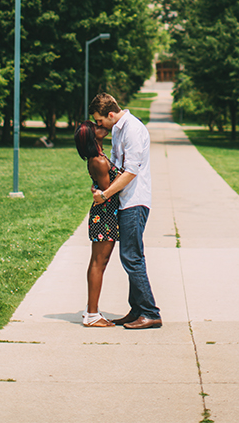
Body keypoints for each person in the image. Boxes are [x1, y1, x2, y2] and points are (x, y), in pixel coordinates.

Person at [89, 93, 162, 329]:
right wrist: (100, 184)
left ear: (110, 114)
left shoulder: (132, 129)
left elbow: (130, 172)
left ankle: (150, 312)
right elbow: (116, 167)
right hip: (124, 201)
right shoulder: (119, 129)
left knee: (132, 256)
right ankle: (137, 309)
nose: (98, 126)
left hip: (135, 201)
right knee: (129, 255)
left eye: (100, 121)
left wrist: (105, 194)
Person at [74, 120, 121, 327]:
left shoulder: (99, 158)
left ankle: (90, 311)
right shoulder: (99, 161)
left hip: (104, 214)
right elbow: (109, 190)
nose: (102, 127)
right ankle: (93, 315)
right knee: (98, 264)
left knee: (97, 263)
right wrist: (126, 175)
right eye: (96, 127)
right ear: (92, 136)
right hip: (105, 215)